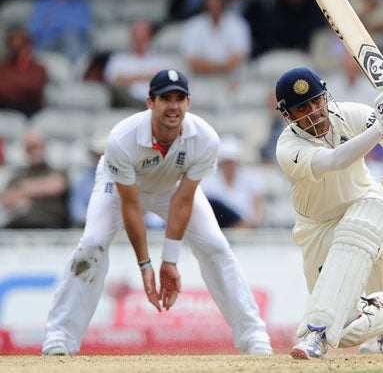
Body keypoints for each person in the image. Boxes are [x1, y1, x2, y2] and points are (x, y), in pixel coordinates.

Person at [42, 69, 272, 356]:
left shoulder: (205, 139)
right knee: (92, 244)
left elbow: (183, 200)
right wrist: (145, 265)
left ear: (188, 103)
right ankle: (59, 338)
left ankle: (254, 338)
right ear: (150, 102)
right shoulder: (122, 138)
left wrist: (169, 262)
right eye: (165, 98)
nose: (173, 106)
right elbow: (131, 204)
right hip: (120, 188)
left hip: (172, 187)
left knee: (215, 246)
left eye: (179, 98)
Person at [274, 67, 383, 359]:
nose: (314, 112)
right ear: (288, 115)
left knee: (361, 222)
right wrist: (381, 129)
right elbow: (336, 160)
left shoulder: (350, 114)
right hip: (318, 228)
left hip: (368, 205)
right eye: (303, 108)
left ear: (325, 96)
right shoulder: (288, 147)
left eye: (317, 101)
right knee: (346, 326)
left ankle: (317, 334)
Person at [180, 0, 251, 92]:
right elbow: (193, 62)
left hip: (231, 80)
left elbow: (237, 61)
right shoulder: (192, 26)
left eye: (218, 6)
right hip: (201, 81)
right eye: (211, 6)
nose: (215, 9)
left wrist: (207, 66)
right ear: (205, 7)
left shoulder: (238, 25)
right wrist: (222, 66)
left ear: (224, 6)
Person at [0, 129, 70, 229]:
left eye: (37, 146)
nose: (35, 151)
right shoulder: (18, 174)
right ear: (25, 150)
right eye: (30, 148)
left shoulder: (57, 170)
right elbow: (7, 200)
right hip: (20, 227)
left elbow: (55, 187)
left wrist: (23, 190)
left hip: (51, 227)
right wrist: (41, 187)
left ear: (44, 147)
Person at [103, 20, 173, 109]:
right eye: (136, 38)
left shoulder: (161, 61)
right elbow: (115, 82)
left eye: (143, 39)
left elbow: (167, 82)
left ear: (150, 38)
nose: (139, 42)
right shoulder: (118, 60)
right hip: (127, 101)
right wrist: (148, 76)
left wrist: (129, 78)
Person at [200, 135, 264, 230]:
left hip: (244, 224)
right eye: (226, 162)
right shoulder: (209, 181)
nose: (228, 166)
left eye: (231, 162)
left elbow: (258, 204)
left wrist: (250, 224)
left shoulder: (250, 178)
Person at [0, 27, 48, 117]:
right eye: (13, 47)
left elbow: (34, 88)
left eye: (20, 47)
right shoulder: (2, 68)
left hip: (30, 114)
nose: (16, 51)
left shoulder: (39, 69)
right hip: (3, 112)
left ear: (29, 46)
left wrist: (22, 68)